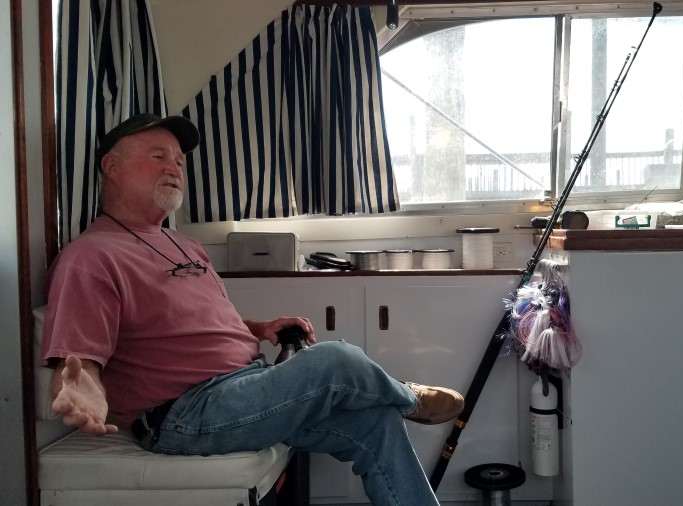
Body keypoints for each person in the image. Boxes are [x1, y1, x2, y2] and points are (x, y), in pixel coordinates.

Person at [41, 113, 464, 505]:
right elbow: (80, 358)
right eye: (157, 157)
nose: (174, 168)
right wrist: (81, 390)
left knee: (376, 423)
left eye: (179, 161)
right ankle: (408, 398)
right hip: (184, 413)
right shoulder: (90, 256)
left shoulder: (182, 244)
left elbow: (183, 322)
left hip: (245, 385)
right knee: (335, 358)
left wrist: (258, 327)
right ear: (111, 168)